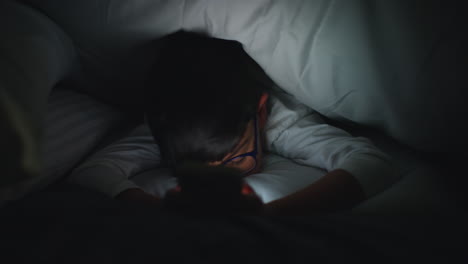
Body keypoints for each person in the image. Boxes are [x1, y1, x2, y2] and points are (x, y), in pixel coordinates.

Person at [68, 30, 397, 214]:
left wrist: (269, 216)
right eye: (195, 166)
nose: (224, 173)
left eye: (238, 158)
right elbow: (93, 172)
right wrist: (159, 212)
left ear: (262, 112)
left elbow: (373, 162)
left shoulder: (279, 121)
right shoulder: (170, 127)